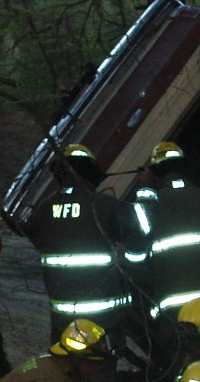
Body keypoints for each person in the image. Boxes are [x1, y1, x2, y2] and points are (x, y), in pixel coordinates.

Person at [122, 142, 200, 382]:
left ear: (155, 174)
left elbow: (134, 258)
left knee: (185, 376)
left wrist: (144, 187)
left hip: (175, 315)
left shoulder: (152, 207)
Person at [27, 144, 132, 342]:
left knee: (65, 365)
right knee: (101, 365)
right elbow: (136, 233)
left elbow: (34, 235)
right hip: (105, 319)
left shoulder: (44, 208)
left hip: (63, 318)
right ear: (91, 172)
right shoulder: (103, 205)